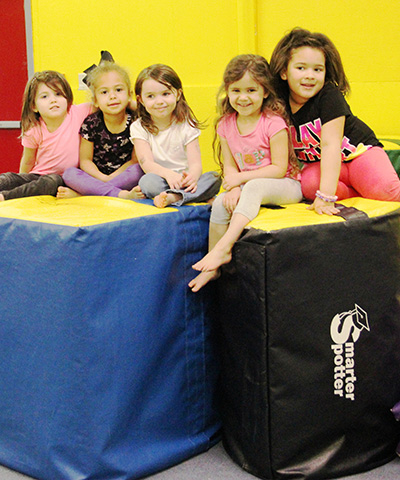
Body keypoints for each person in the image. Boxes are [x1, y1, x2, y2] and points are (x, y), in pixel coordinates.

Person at [189, 54, 302, 292]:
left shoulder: (273, 123)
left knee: (255, 186)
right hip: (248, 185)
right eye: (236, 90)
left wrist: (240, 181)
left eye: (251, 90)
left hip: (286, 185)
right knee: (220, 202)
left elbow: (279, 168)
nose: (243, 97)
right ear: (227, 92)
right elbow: (229, 166)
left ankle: (224, 248)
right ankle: (213, 266)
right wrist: (233, 188)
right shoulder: (226, 124)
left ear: (265, 92)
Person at [269, 27, 400, 216]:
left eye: (317, 69)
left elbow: (330, 144)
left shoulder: (329, 96)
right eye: (300, 68)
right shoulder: (279, 102)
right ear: (283, 72)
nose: (310, 75)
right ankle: (357, 191)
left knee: (387, 191)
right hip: (325, 165)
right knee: (309, 186)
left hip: (358, 154)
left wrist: (326, 196)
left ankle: (366, 185)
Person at [130, 64, 221, 208]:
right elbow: (146, 163)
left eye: (165, 94)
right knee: (146, 182)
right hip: (162, 180)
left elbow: (196, 163)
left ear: (178, 94)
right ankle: (196, 196)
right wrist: (168, 175)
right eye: (151, 96)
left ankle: (175, 197)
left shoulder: (186, 125)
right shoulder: (138, 127)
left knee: (214, 178)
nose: (159, 101)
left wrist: (193, 177)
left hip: (185, 180)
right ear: (140, 100)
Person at [0, 71, 92, 201]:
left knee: (51, 182)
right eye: (44, 97)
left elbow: (103, 104)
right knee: (8, 178)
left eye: (58, 94)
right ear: (34, 106)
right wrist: (22, 181)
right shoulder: (34, 129)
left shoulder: (79, 112)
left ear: (68, 98)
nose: (53, 100)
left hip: (62, 180)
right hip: (38, 175)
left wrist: (130, 103)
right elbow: (28, 160)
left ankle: (4, 198)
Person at [57, 62, 144, 200]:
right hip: (95, 177)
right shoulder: (91, 123)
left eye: (119, 90)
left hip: (123, 177)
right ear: (95, 100)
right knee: (69, 174)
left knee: (138, 170)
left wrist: (110, 179)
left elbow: (134, 160)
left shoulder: (136, 122)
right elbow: (85, 161)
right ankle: (118, 195)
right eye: (104, 92)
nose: (112, 96)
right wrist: (102, 178)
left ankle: (83, 196)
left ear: (129, 95)